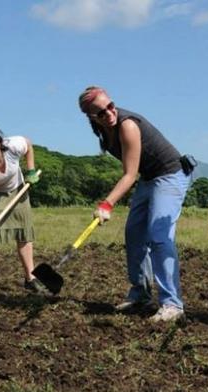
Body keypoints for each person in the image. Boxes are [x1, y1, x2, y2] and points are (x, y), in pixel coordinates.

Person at [78, 86, 193, 322]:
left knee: (159, 236)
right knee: (134, 233)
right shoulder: (103, 131)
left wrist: (107, 204)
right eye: (100, 112)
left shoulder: (127, 125)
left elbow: (129, 175)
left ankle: (172, 304)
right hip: (149, 178)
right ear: (91, 117)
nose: (109, 113)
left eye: (110, 106)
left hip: (170, 174)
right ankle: (140, 293)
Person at [0, 124, 46, 298]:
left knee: (24, 234)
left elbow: (29, 144)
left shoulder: (13, 146)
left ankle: (30, 279)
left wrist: (31, 170)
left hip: (17, 191)